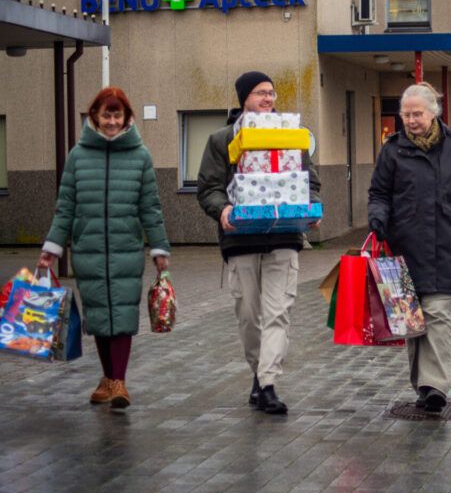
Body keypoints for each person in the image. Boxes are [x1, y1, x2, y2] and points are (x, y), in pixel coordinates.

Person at [368, 82, 451, 414]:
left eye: (417, 114)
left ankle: (435, 385)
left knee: (437, 314)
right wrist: (377, 218)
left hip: (446, 245)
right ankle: (423, 385)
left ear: (434, 113)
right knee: (411, 321)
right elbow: (379, 193)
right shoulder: (393, 149)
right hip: (402, 248)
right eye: (406, 115)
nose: (411, 120)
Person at [38, 87, 171, 410]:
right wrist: (52, 247)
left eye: (117, 115)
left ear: (127, 117)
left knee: (123, 314)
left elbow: (150, 207)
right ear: (95, 117)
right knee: (99, 316)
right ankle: (109, 378)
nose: (112, 121)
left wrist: (159, 247)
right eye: (106, 115)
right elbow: (66, 206)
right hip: (89, 249)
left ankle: (118, 381)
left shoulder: (141, 156)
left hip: (126, 248)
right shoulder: (78, 156)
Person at [197, 71, 321, 415]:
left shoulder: (291, 135)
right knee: (249, 317)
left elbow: (310, 181)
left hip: (284, 236)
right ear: (244, 99)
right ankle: (258, 372)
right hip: (241, 240)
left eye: (271, 93)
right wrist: (222, 209)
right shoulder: (222, 140)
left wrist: (312, 207)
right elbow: (208, 188)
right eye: (260, 93)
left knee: (278, 312)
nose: (268, 98)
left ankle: (268, 384)